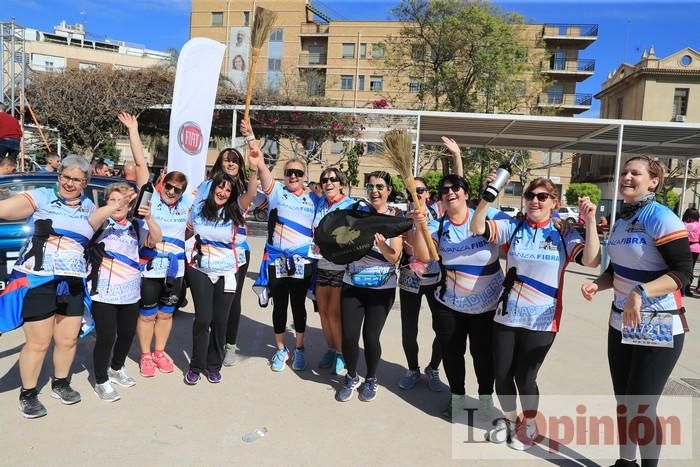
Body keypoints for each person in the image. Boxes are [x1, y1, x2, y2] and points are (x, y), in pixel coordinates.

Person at [471, 176, 600, 450]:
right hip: (506, 316)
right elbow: (477, 226)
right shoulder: (515, 227)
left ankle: (529, 424)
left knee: (525, 377)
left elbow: (591, 259)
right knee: (502, 374)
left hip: (542, 320)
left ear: (554, 202)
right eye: (530, 195)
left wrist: (589, 222)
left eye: (542, 197)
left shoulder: (563, 233)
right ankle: (508, 420)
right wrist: (489, 195)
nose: (535, 201)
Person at [581, 156, 693, 467]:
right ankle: (625, 462)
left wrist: (641, 292)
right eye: (624, 172)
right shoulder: (621, 219)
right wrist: (598, 284)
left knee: (641, 405)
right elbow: (616, 270)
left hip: (659, 323)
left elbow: (683, 273)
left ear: (653, 181)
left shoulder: (661, 217)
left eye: (636, 173)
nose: (627, 177)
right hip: (621, 322)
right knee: (624, 403)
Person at [410, 174, 513, 418]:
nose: (450, 193)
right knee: (452, 354)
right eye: (444, 190)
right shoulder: (439, 225)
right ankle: (456, 398)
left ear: (466, 193)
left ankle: (485, 400)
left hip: (487, 305)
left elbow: (519, 229)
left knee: (483, 355)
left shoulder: (488, 216)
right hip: (450, 304)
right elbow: (424, 256)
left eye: (456, 188)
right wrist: (419, 226)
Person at [0, 155, 95, 418]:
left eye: (76, 180)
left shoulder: (88, 205)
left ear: (85, 182)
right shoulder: (41, 196)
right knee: (39, 342)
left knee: (67, 339)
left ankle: (61, 383)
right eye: (65, 177)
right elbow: (6, 209)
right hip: (40, 279)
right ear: (59, 175)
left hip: (72, 281)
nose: (69, 183)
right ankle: (28, 393)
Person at [245, 124, 321, 372]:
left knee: (298, 307)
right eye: (289, 172)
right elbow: (261, 166)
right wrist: (250, 138)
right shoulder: (277, 192)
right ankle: (280, 350)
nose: (294, 176)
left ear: (304, 176)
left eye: (298, 173)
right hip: (277, 260)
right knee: (279, 307)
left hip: (302, 262)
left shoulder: (314, 198)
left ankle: (299, 349)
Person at [87, 183, 161, 402]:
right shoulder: (101, 223)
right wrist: (113, 206)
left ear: (130, 206)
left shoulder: (135, 226)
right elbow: (91, 221)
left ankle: (116, 368)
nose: (118, 205)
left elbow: (156, 238)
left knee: (128, 334)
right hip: (104, 293)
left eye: (123, 201)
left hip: (130, 293)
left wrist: (148, 218)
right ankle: (100, 380)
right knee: (107, 337)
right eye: (113, 200)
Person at [184, 169, 257, 385]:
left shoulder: (235, 211)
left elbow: (252, 192)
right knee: (203, 319)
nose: (223, 192)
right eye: (220, 186)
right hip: (200, 270)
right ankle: (196, 366)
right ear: (213, 187)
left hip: (227, 272)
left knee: (220, 320)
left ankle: (213, 365)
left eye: (228, 189)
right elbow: (187, 232)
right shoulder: (198, 209)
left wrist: (254, 168)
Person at [335, 171, 402, 402]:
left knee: (371, 337)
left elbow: (395, 257)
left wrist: (382, 246)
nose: (375, 190)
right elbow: (341, 240)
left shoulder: (394, 217)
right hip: (352, 283)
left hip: (381, 288)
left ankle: (371, 378)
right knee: (349, 337)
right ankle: (351, 376)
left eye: (380, 186)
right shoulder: (357, 213)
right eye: (371, 186)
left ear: (389, 190)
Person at [397, 177, 444, 392]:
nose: (415, 195)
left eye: (420, 190)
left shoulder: (439, 214)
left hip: (435, 279)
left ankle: (433, 368)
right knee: (409, 329)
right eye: (410, 192)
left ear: (427, 194)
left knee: (443, 329)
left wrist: (456, 157)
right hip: (410, 278)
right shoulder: (402, 218)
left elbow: (459, 188)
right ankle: (412, 369)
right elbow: (410, 252)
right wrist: (413, 224)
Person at [311, 168, 356, 375]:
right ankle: (331, 348)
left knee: (335, 314)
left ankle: (340, 353)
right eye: (324, 180)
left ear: (341, 183)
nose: (328, 183)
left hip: (340, 267)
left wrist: (329, 245)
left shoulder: (350, 205)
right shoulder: (320, 203)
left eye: (332, 179)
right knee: (324, 313)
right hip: (320, 265)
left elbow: (352, 236)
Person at [682, 207, 699, 296]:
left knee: (682, 268)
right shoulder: (699, 224)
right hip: (695, 248)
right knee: (691, 269)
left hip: (683, 247)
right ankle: (687, 289)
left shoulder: (681, 224)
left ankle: (681, 289)